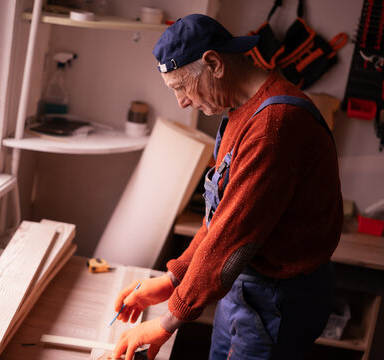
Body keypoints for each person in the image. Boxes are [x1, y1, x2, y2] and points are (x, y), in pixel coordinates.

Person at [111, 14, 343, 360]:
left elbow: (233, 237)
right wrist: (173, 279)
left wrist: (165, 323)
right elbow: (218, 220)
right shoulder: (240, 111)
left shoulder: (273, 126)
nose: (182, 102)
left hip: (277, 300)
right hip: (243, 288)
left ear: (214, 63)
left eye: (180, 87)